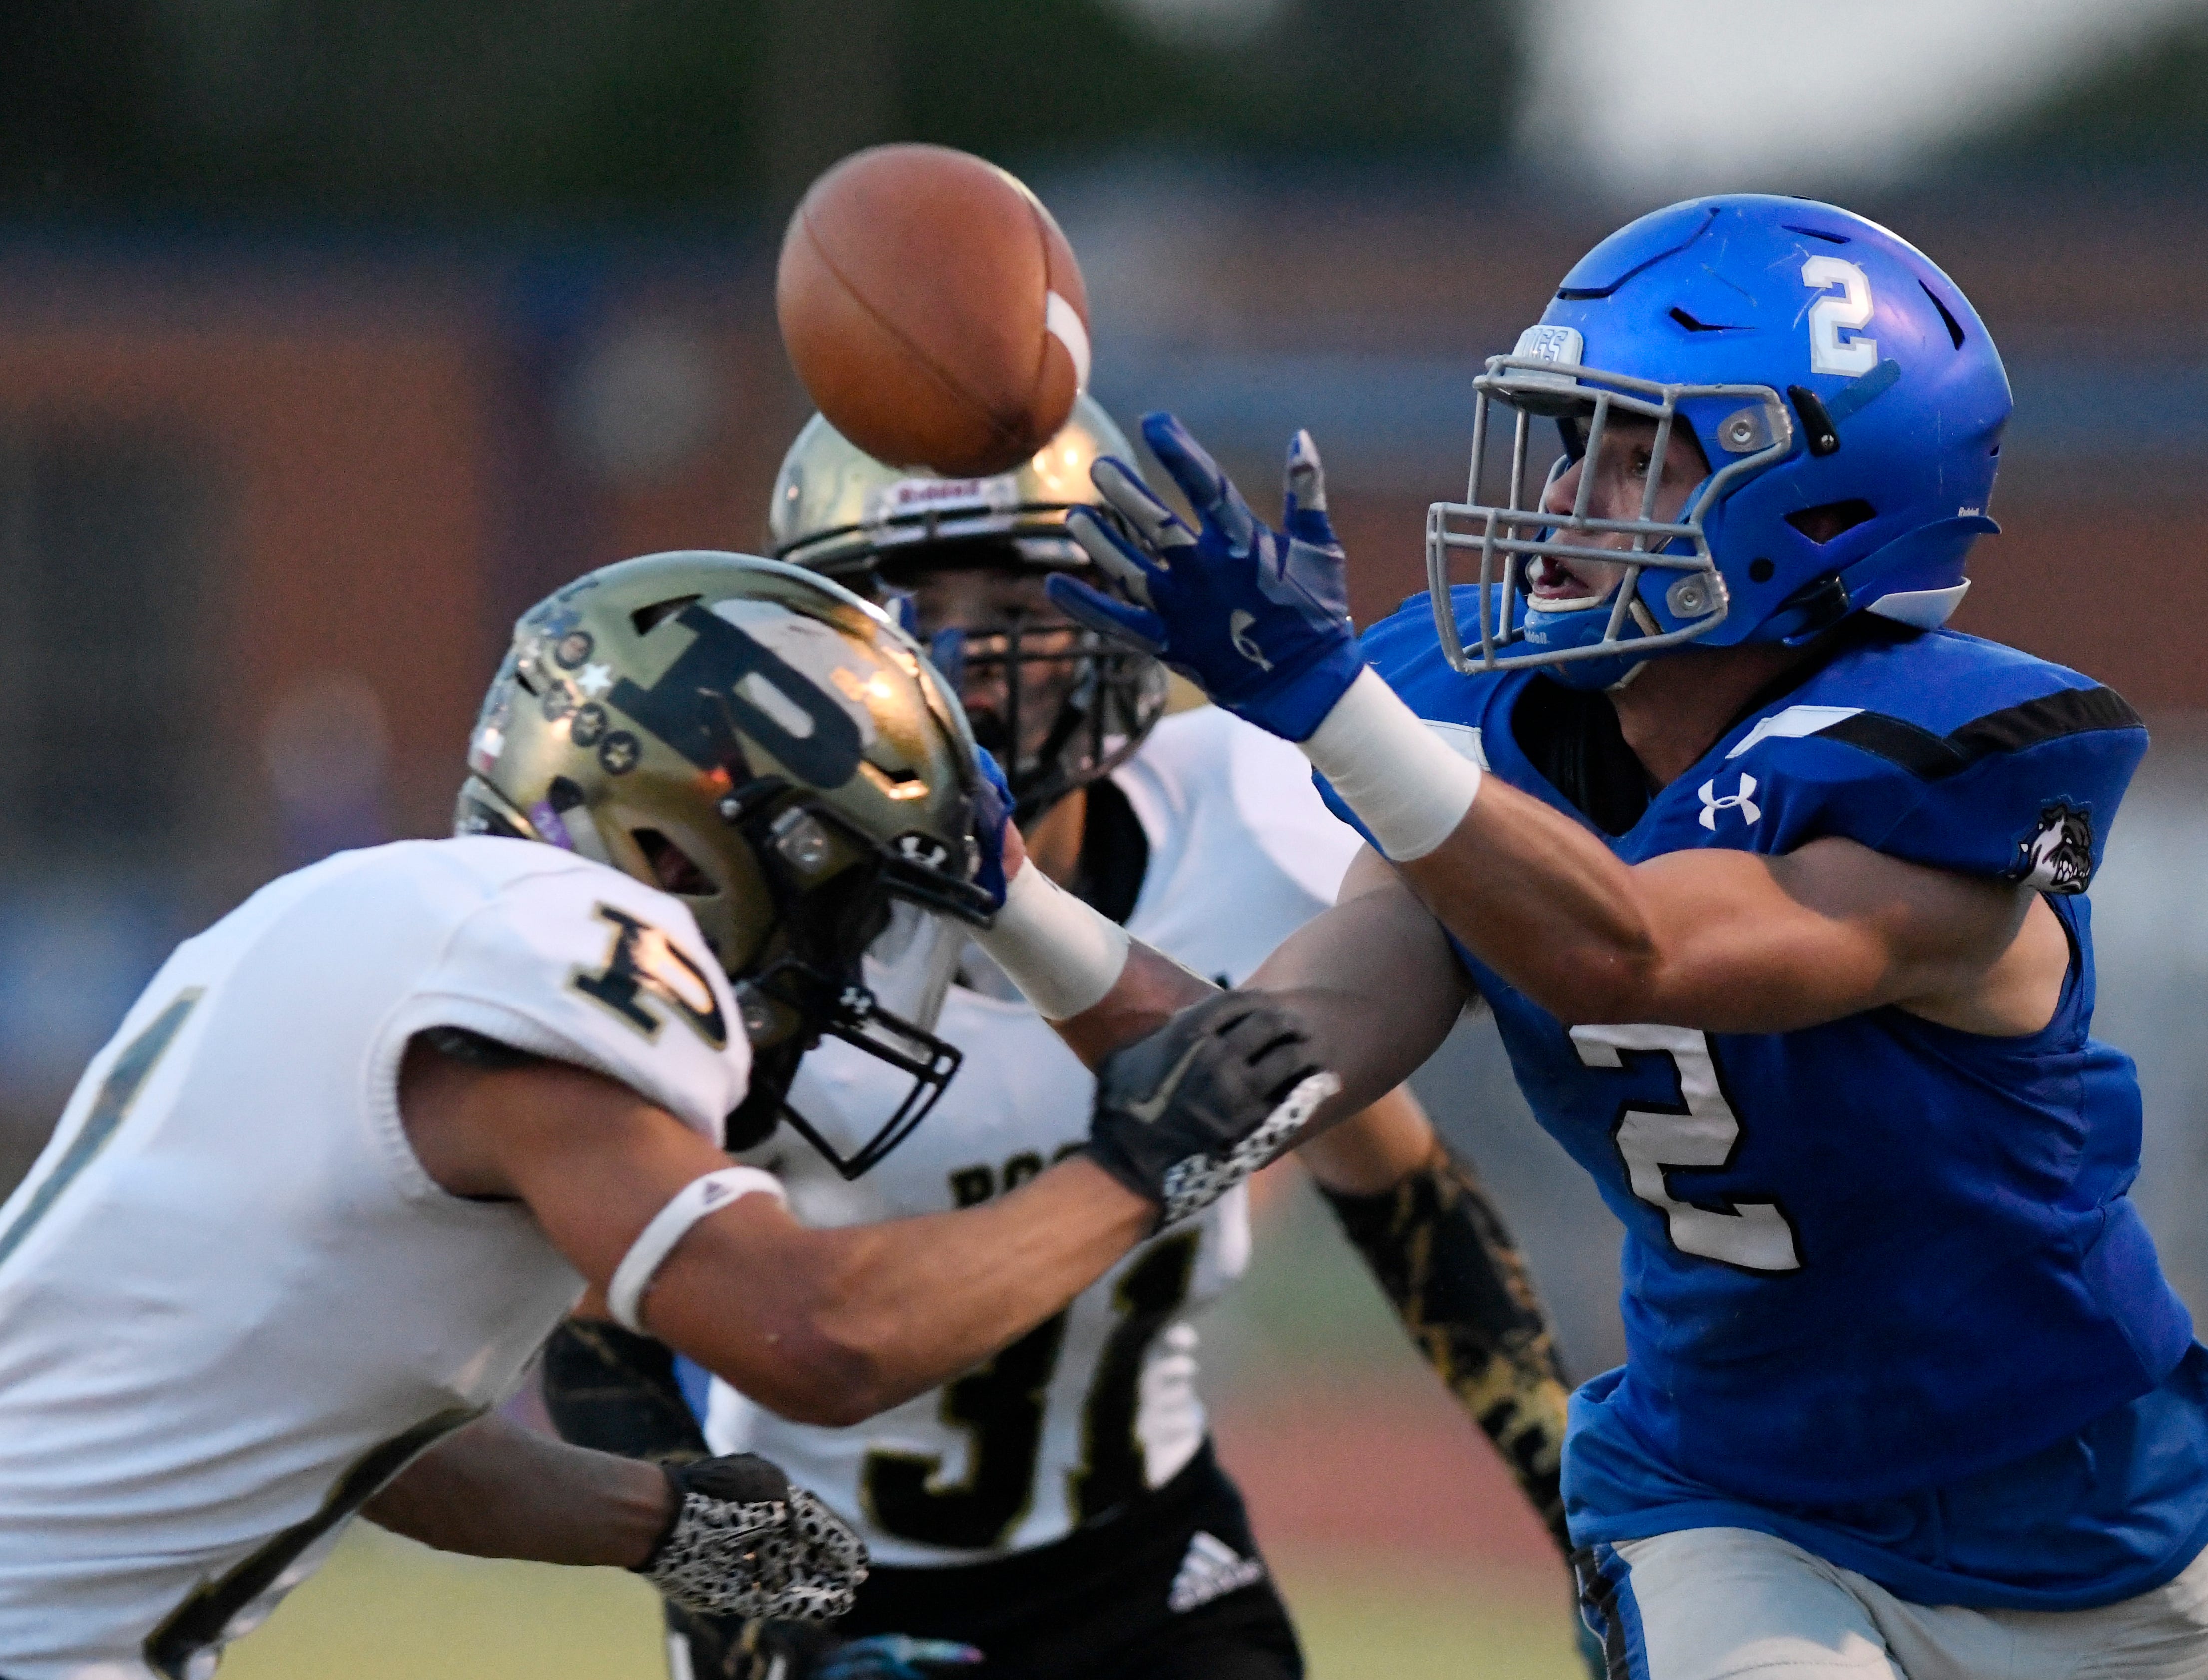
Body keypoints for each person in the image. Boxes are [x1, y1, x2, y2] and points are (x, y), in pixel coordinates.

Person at [982, 193, 2208, 1678]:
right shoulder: (1473, 730)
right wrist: (1004, 890)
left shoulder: (1934, 777)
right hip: (1730, 1502)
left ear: (1808, 508)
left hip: (2098, 1518)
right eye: (1575, 442)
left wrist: (1333, 710)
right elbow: (1259, 1065)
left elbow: (1631, 951)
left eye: (1636, 455)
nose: (1565, 498)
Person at [0, 551, 1320, 1680]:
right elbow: (817, 1335)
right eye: (840, 890)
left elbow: (351, 1433)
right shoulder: (583, 951)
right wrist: (1136, 1165)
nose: (855, 953)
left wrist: (666, 1519)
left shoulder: (338, 918)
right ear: (674, 853)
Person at [542, 400, 1581, 1680]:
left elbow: (1395, 1181)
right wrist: (743, 1617)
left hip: (1151, 1566)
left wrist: (1582, 1527)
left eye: (1024, 590)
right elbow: (598, 1321)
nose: (973, 650)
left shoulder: (1251, 832)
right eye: (917, 597)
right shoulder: (752, 911)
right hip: (826, 1578)